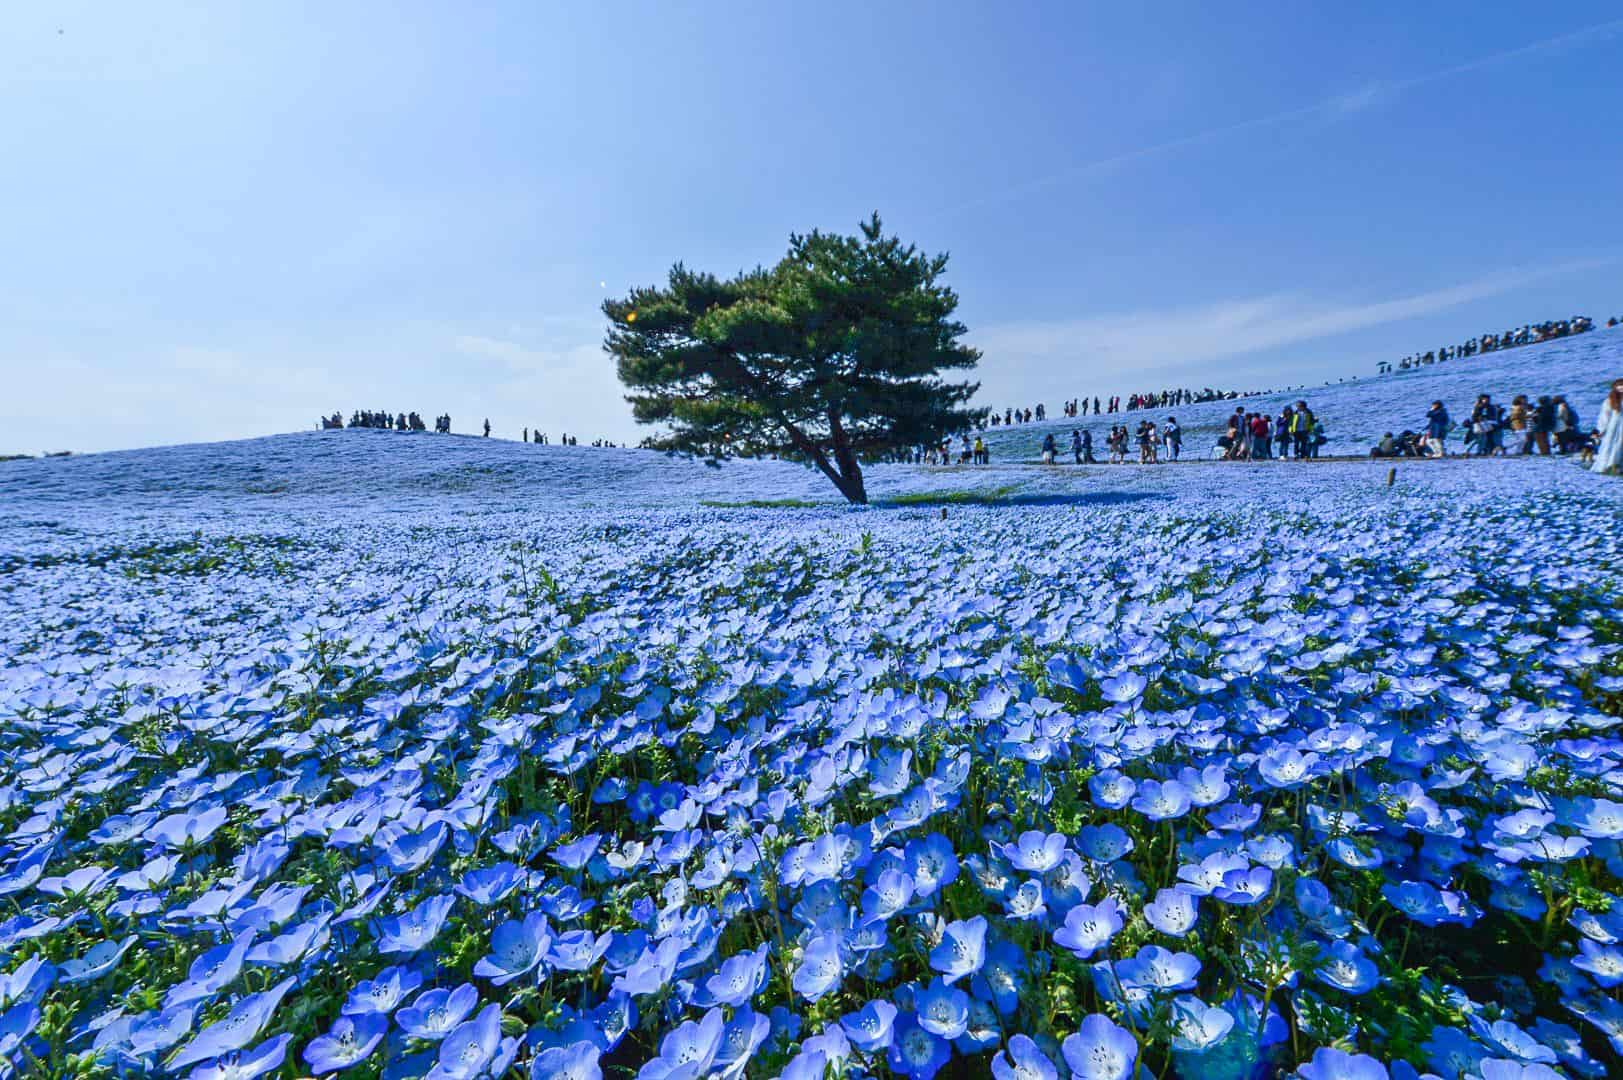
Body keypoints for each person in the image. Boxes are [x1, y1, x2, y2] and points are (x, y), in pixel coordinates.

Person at [1593, 378, 1623, 474]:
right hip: (1614, 425)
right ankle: (1608, 465)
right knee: (1611, 444)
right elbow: (1605, 415)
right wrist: (1601, 429)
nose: (1621, 387)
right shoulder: (1610, 400)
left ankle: (1618, 465)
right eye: (1619, 385)